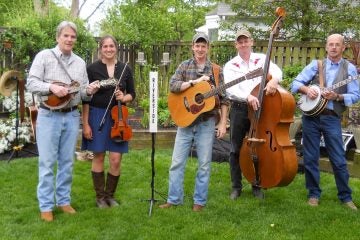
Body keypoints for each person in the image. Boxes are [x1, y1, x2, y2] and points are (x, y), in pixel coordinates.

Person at [26, 21, 100, 222]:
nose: (69, 39)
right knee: (48, 163)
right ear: (58, 37)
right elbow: (31, 82)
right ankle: (46, 206)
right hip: (48, 116)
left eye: (72, 37)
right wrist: (51, 87)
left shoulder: (80, 63)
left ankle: (64, 201)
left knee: (67, 162)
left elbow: (83, 92)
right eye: (65, 35)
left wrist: (89, 90)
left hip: (71, 116)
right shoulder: (44, 56)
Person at [159, 32, 229, 212]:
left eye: (203, 45)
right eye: (197, 45)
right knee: (177, 162)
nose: (200, 49)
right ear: (192, 47)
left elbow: (225, 98)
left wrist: (222, 123)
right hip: (185, 122)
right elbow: (173, 86)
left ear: (207, 48)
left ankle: (200, 201)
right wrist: (195, 82)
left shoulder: (216, 70)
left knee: (204, 164)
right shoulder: (184, 66)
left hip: (206, 123)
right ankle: (174, 199)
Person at [291, 33, 359, 210]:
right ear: (326, 47)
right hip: (311, 118)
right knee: (311, 157)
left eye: (337, 44)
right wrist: (307, 90)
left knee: (338, 158)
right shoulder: (317, 65)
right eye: (331, 44)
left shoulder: (350, 69)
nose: (334, 47)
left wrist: (337, 96)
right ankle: (313, 194)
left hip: (331, 117)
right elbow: (295, 83)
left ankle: (345, 196)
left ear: (343, 48)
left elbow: (355, 95)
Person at [223, 29, 282, 200]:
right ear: (236, 45)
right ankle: (236, 186)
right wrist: (247, 96)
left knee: (258, 147)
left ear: (251, 42)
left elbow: (277, 71)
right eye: (240, 41)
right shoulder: (231, 65)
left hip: (260, 108)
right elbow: (230, 89)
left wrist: (274, 80)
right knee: (235, 148)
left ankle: (257, 184)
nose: (243, 44)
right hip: (240, 108)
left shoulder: (262, 59)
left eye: (246, 41)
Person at [81, 35, 135, 208]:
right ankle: (100, 198)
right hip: (97, 115)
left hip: (118, 118)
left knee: (116, 159)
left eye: (111, 46)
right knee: (98, 156)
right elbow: (86, 98)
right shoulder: (92, 69)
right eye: (105, 46)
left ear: (116, 48)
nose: (109, 49)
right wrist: (86, 123)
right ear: (101, 49)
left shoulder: (125, 68)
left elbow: (132, 95)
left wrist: (123, 96)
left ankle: (110, 196)